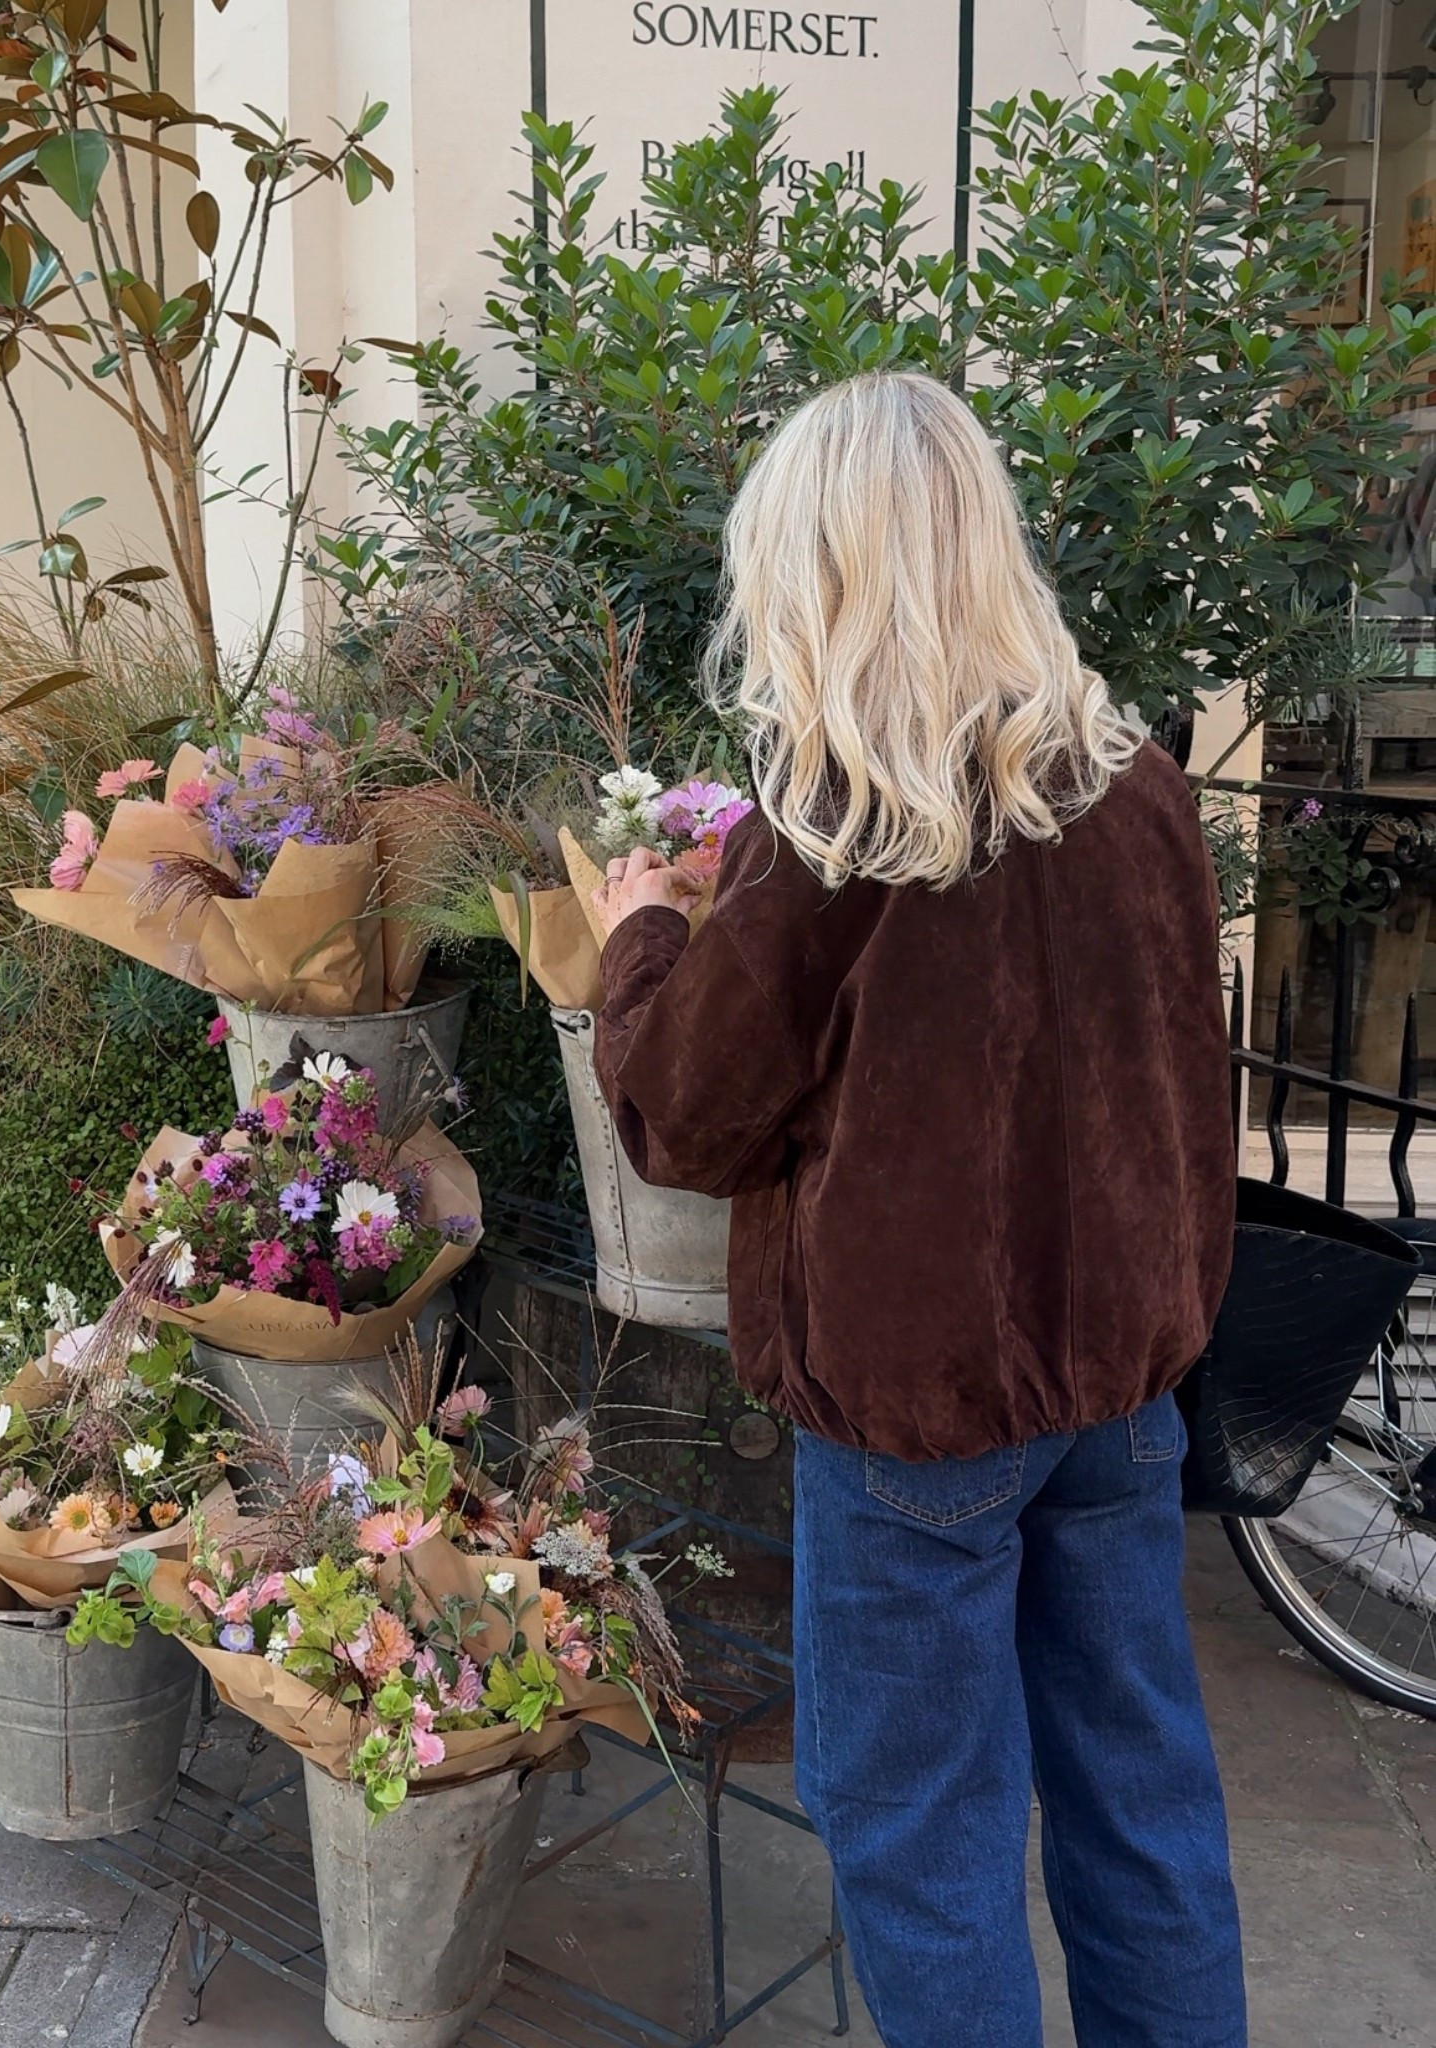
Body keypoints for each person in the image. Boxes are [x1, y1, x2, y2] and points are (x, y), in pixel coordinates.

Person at [589, 371, 1244, 2048]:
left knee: (922, 1835)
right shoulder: (1138, 788)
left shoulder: (831, 825)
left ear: (812, 571)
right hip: (1119, 1386)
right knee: (1139, 1805)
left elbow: (684, 1115)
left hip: (913, 1417)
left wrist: (638, 934)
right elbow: (1182, 1075)